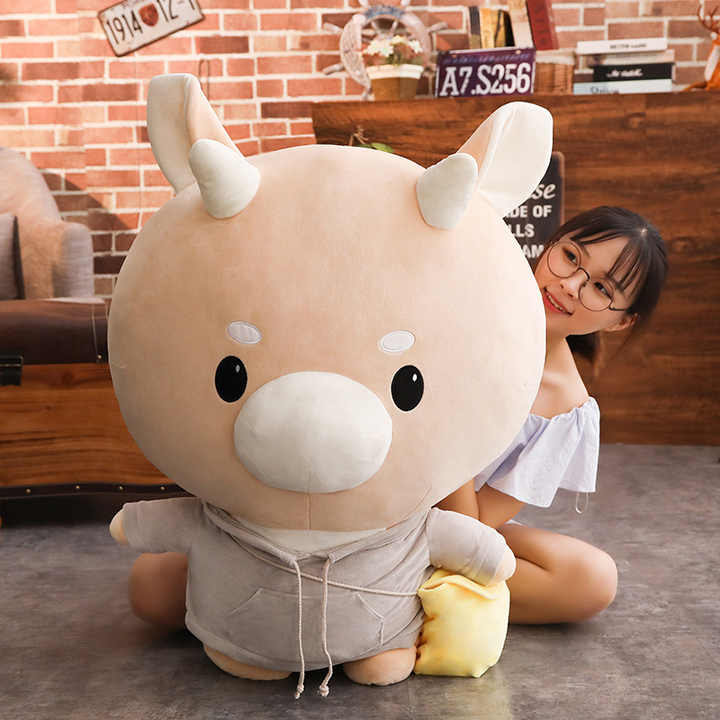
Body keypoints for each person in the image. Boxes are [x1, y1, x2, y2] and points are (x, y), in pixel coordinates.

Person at [437, 206, 668, 624]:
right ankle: (428, 595)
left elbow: (472, 526)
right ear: (551, 244)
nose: (570, 285)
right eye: (571, 256)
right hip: (368, 485)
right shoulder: (466, 295)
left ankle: (399, 584)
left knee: (592, 578)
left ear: (621, 322)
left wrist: (454, 412)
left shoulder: (565, 408)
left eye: (601, 288)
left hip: (442, 525)